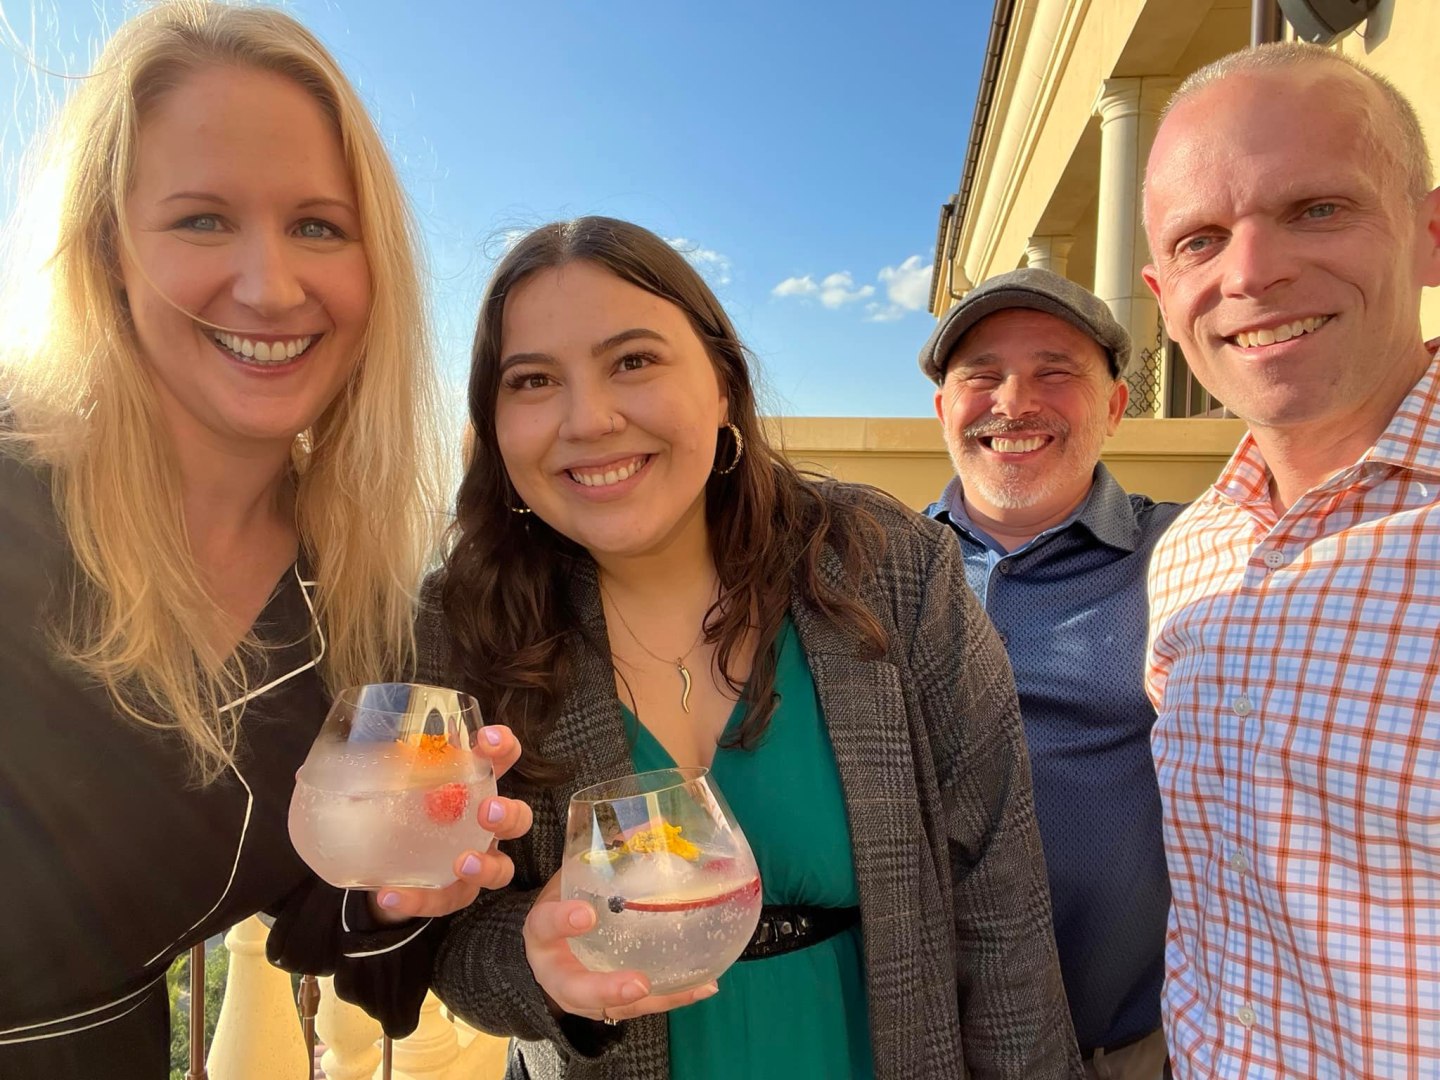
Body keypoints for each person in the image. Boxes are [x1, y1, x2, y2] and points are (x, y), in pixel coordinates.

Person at [420, 216, 1083, 1079]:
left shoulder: (888, 566)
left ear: (722, 386)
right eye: (534, 380)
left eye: (634, 361)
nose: (589, 419)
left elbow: (1000, 906)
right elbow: (446, 933)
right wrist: (536, 964)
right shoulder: (463, 624)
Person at [0, 4, 529, 1076]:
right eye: (202, 220)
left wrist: (396, 890)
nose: (271, 286)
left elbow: (309, 900)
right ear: (107, 249)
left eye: (319, 227)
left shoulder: (350, 601)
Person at [1140, 42, 1440, 1080]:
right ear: (1162, 293)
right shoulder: (1191, 554)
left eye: (1317, 208)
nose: (1251, 272)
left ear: (1430, 235)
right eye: (1201, 239)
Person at [919, 267, 1181, 1080]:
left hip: (1120, 1052)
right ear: (943, 408)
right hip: (910, 1048)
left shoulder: (1189, 556)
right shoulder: (869, 572)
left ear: (1115, 406)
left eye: (1054, 371)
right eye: (983, 375)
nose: (1013, 402)